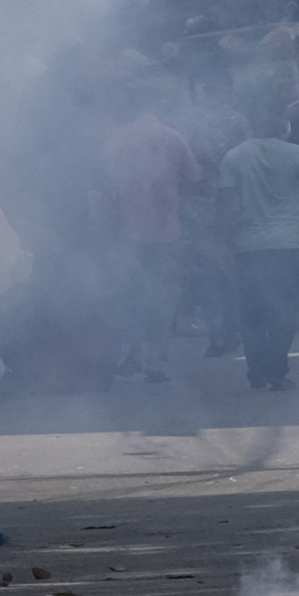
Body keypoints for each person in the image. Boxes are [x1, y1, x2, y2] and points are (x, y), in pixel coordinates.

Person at [102, 88, 211, 383]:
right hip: (166, 228)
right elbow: (195, 176)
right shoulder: (174, 137)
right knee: (162, 296)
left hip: (128, 229)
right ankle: (155, 361)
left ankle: (133, 355)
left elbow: (106, 181)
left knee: (131, 294)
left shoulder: (118, 139)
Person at [220, 108, 299, 391]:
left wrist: (225, 243)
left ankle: (256, 370)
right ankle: (277, 369)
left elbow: (226, 206)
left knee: (251, 313)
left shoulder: (234, 156)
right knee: (284, 310)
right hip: (288, 242)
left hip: (248, 246)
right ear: (280, 124)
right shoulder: (296, 153)